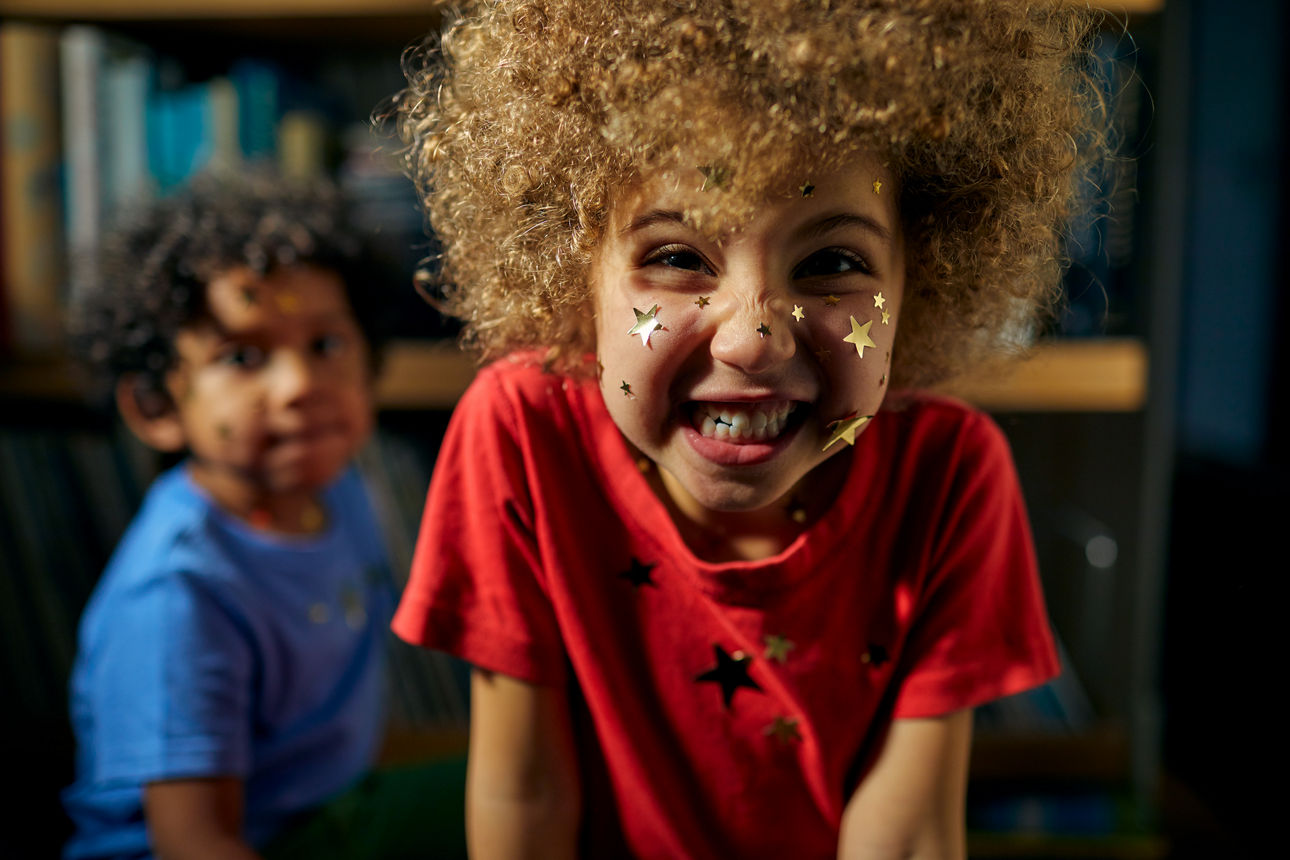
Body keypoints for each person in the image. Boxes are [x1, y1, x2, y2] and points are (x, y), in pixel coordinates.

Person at [390, 1, 1109, 857]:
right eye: (677, 257)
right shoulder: (522, 432)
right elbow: (526, 797)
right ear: (573, 266)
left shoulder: (948, 473)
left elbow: (908, 833)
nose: (752, 339)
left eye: (832, 264)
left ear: (919, 278)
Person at [61, 173, 463, 859]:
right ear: (157, 406)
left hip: (325, 813)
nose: (299, 385)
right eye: (243, 357)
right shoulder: (178, 593)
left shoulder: (338, 492)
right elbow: (192, 842)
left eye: (326, 345)